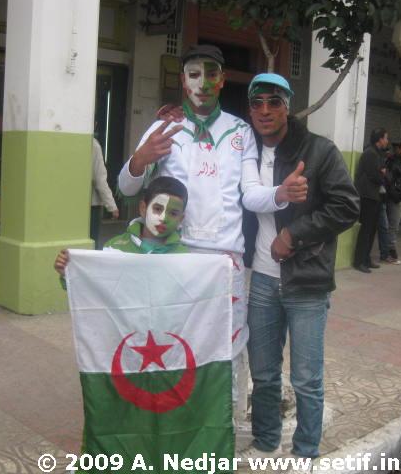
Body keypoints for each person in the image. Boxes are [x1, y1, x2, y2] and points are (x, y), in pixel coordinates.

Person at [117, 45, 281, 390]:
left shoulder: (240, 131)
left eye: (211, 75)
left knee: (225, 351)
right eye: (194, 75)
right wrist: (140, 159)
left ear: (222, 80)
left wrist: (281, 194)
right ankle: (171, 413)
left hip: (225, 262)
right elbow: (127, 188)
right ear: (183, 81)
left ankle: (222, 418)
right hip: (173, 257)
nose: (203, 84)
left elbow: (251, 194)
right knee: (170, 345)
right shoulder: (164, 128)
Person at [239, 73, 359, 463]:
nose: (265, 111)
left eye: (274, 102)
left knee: (306, 378)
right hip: (261, 279)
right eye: (257, 103)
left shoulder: (319, 150)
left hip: (306, 280)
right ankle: (266, 442)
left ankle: (305, 452)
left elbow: (347, 206)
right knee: (263, 373)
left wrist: (294, 234)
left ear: (287, 106)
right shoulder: (246, 150)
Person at [55, 176, 189, 278]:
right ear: (143, 208)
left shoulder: (184, 257)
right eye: (158, 209)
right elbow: (96, 284)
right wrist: (69, 272)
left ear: (181, 219)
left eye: (173, 213)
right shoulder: (115, 247)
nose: (163, 218)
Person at [353, 128, 389, 273]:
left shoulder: (378, 153)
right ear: (380, 139)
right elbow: (376, 175)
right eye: (386, 138)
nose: (387, 141)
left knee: (372, 229)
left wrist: (383, 173)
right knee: (366, 229)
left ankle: (366, 259)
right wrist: (383, 174)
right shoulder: (370, 153)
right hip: (367, 196)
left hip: (374, 196)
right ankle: (359, 261)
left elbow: (383, 171)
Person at [90, 137, 119, 247]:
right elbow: (100, 180)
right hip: (92, 205)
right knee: (92, 242)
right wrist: (112, 206)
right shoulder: (94, 145)